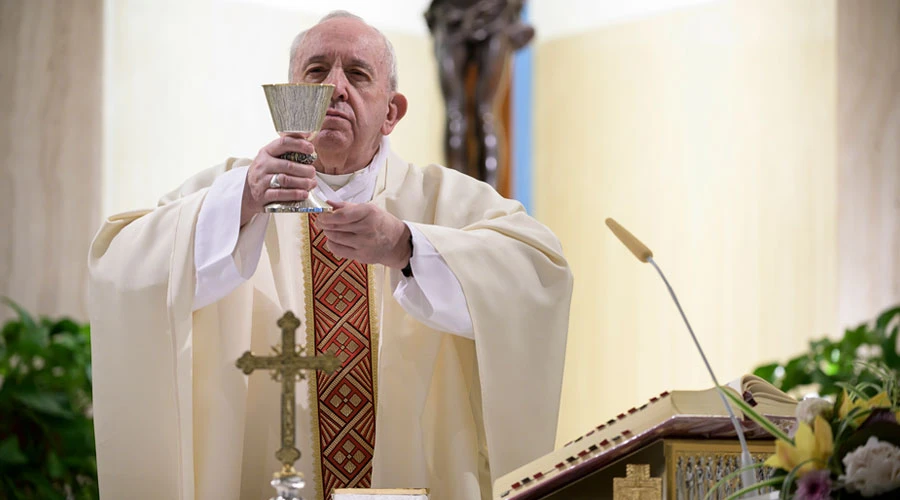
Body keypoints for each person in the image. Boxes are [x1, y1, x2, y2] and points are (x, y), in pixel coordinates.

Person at [88, 10, 572, 500]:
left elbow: (540, 270)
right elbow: (119, 263)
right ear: (287, 96)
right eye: (316, 72)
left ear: (391, 111)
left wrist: (407, 246)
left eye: (358, 74)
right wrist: (241, 203)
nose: (336, 87)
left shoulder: (444, 201)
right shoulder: (230, 193)